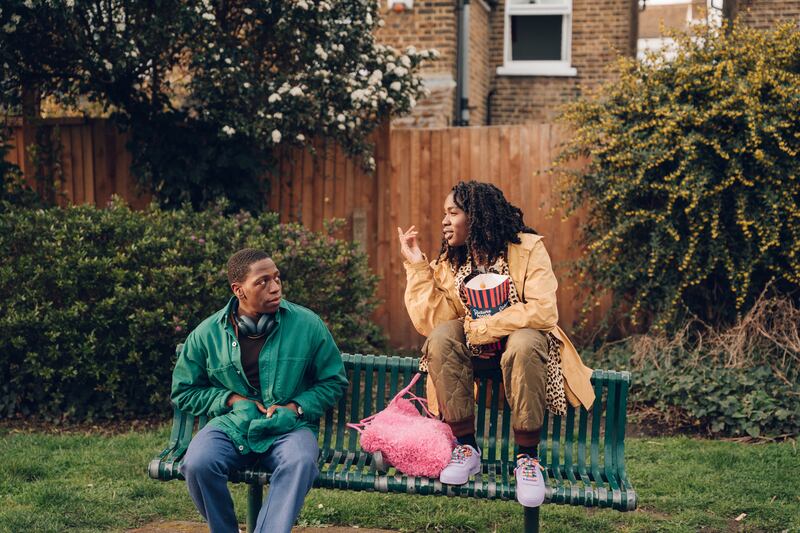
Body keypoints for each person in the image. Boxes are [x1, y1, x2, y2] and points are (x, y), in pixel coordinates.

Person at [397, 181, 595, 508]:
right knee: (442, 336)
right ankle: (466, 447)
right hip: (474, 360)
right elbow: (435, 322)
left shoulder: (528, 249)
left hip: (522, 356)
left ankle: (527, 459)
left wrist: (487, 326)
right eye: (444, 214)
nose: (444, 221)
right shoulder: (451, 262)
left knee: (527, 338)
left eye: (453, 213)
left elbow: (544, 311)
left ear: (476, 217)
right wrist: (419, 267)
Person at [171, 248, 348, 533]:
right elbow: (184, 391)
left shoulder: (308, 325)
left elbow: (333, 382)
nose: (275, 287)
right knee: (197, 463)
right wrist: (230, 399)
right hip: (233, 426)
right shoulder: (206, 334)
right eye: (262, 281)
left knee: (300, 462)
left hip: (289, 428)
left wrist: (295, 407)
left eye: (277, 278)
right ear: (238, 290)